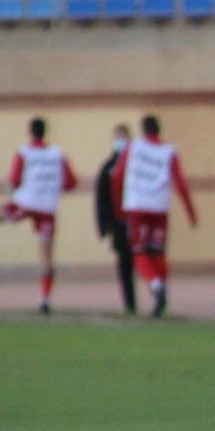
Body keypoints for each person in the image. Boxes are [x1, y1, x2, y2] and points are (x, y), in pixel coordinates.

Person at [111, 114, 196, 317]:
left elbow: (117, 175)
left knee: (139, 250)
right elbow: (180, 183)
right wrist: (190, 211)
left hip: (137, 206)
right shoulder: (169, 151)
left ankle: (156, 285)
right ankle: (161, 291)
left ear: (143, 130)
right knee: (157, 252)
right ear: (159, 130)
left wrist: (119, 208)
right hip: (159, 207)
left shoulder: (134, 147)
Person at [0, 117, 78, 314]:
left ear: (30, 132)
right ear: (45, 131)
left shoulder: (24, 152)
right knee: (47, 258)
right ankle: (45, 299)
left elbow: (14, 180)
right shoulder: (57, 153)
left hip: (25, 203)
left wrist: (11, 188)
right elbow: (71, 182)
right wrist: (52, 187)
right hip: (47, 208)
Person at [95, 124, 136, 315]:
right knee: (124, 263)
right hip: (118, 222)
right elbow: (101, 198)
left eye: (124, 137)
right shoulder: (108, 167)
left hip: (136, 220)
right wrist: (103, 225)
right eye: (118, 137)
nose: (121, 141)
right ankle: (130, 303)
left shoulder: (137, 165)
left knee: (142, 259)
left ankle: (156, 296)